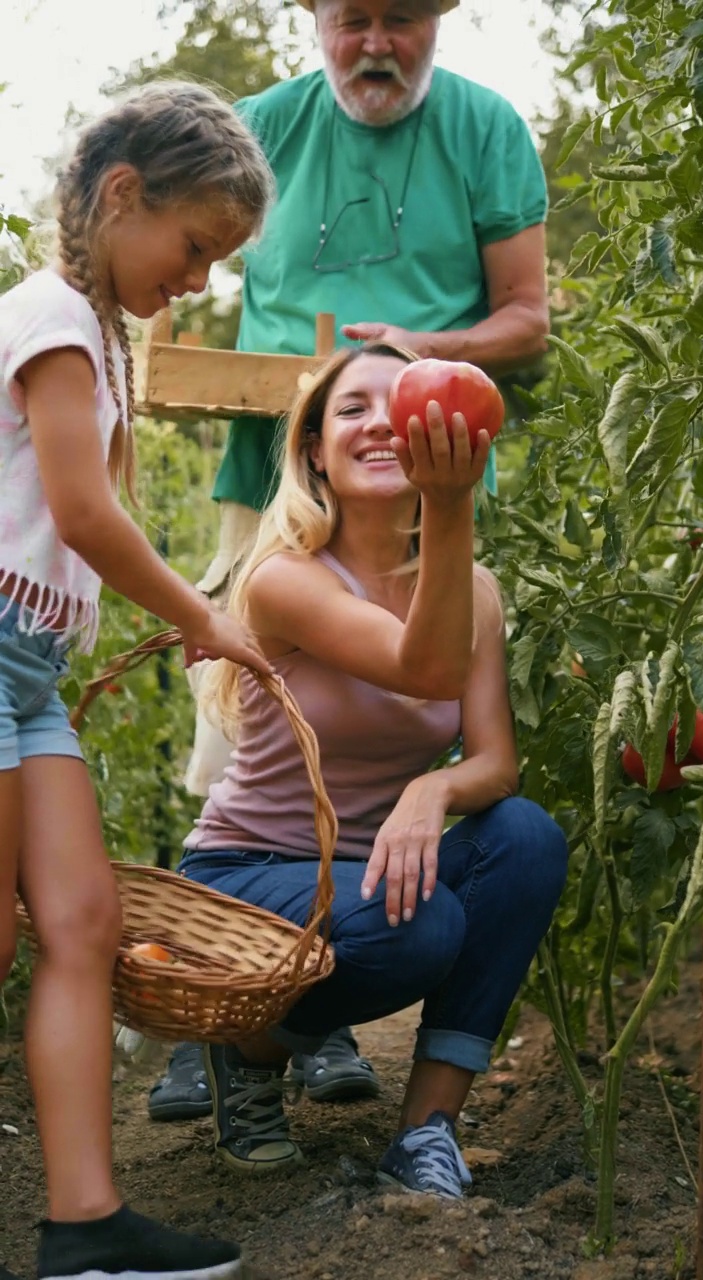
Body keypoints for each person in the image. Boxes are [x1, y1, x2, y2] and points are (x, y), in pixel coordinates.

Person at [160, 0, 550, 1116]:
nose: (376, 42)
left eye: (401, 18)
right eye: (354, 17)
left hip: (431, 479)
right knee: (241, 725)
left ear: (441, 19)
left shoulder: (483, 129)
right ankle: (229, 1010)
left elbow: (525, 318)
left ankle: (319, 1023)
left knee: (416, 733)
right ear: (315, 17)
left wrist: (407, 360)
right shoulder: (258, 131)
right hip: (281, 470)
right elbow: (185, 271)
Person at [170, 342, 568, 1191]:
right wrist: (451, 505)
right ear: (314, 449)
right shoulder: (286, 579)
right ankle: (247, 1047)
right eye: (353, 409)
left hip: (371, 874)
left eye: (407, 404)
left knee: (526, 839)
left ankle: (426, 1134)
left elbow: (496, 762)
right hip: (248, 875)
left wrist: (435, 787)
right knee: (420, 931)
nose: (385, 423)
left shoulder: (476, 592)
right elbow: (425, 670)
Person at [0, 82, 276, 1280]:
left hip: (31, 669)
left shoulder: (102, 332)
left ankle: (85, 1224)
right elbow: (82, 512)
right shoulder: (52, 311)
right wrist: (205, 615)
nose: (200, 276)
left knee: (84, 923)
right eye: (195, 244)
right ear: (124, 194)